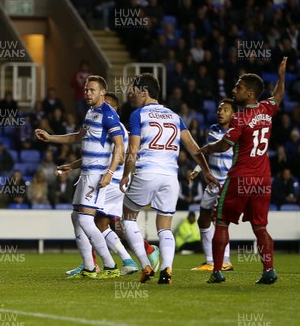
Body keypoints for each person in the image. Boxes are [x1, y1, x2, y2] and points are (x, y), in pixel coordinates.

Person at [120, 73, 218, 284]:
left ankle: (146, 264)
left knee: (128, 218)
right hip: (170, 178)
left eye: (134, 91)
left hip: (146, 172)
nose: (130, 94)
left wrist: (126, 174)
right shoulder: (175, 116)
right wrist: (207, 171)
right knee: (164, 226)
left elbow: (133, 150)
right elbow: (194, 148)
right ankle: (167, 269)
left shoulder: (138, 115)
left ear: (144, 93)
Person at [200, 57, 287, 285]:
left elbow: (224, 145)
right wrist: (281, 76)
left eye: (238, 87)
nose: (233, 89)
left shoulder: (239, 119)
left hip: (240, 177)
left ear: (249, 93)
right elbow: (277, 96)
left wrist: (207, 149)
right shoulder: (267, 110)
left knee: (221, 221)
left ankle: (217, 271)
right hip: (263, 180)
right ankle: (269, 271)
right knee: (260, 227)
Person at [58, 92, 160, 277]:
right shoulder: (104, 125)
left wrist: (111, 173)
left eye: (109, 106)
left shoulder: (116, 129)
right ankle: (133, 258)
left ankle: (98, 264)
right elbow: (93, 153)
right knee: (100, 224)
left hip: (110, 182)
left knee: (87, 220)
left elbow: (119, 157)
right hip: (111, 181)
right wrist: (72, 166)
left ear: (115, 109)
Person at [36, 75, 124, 279]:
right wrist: (51, 137)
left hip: (97, 175)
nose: (87, 93)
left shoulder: (109, 114)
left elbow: (119, 147)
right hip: (85, 173)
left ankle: (110, 266)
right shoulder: (91, 112)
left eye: (92, 90)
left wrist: (109, 173)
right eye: (86, 90)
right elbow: (77, 137)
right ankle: (89, 268)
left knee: (85, 220)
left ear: (103, 92)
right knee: (76, 217)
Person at [188, 99, 236, 271]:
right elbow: (207, 152)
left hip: (226, 183)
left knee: (220, 221)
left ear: (233, 114)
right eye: (219, 109)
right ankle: (210, 261)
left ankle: (225, 261)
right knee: (203, 219)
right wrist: (198, 169)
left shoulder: (237, 132)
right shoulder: (213, 130)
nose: (221, 112)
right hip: (212, 182)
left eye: (225, 109)